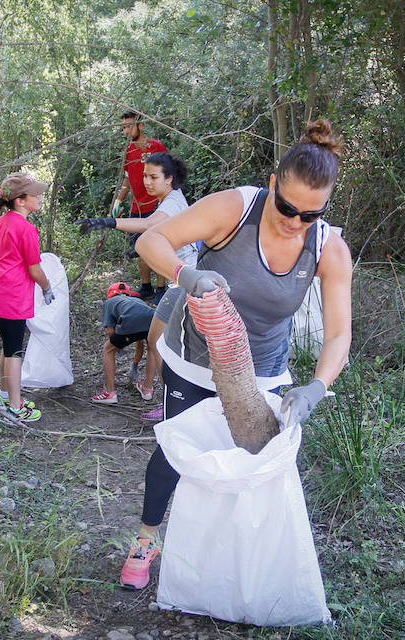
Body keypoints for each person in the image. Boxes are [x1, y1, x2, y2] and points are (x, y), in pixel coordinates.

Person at [117, 119, 353, 591]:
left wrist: (316, 388)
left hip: (261, 371)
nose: (295, 222)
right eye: (287, 207)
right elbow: (152, 240)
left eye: (311, 214)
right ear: (272, 186)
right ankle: (146, 539)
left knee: (249, 462)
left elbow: (338, 335)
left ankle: (226, 558)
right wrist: (187, 276)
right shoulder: (236, 208)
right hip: (195, 356)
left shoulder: (329, 248)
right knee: (177, 450)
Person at [78, 152, 197, 407]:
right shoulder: (169, 201)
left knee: (158, 342)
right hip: (182, 280)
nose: (147, 182)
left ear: (169, 179)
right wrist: (140, 248)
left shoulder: (173, 202)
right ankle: (171, 402)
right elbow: (162, 233)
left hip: (185, 282)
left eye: (154, 177)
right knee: (160, 342)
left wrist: (108, 222)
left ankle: (171, 404)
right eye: (145, 176)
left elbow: (150, 224)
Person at [0, 172, 54, 422]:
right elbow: (34, 268)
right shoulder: (26, 228)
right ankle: (15, 406)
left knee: (8, 345)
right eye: (36, 195)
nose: (40, 198)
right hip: (11, 295)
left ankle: (4, 394)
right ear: (20, 200)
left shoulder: (1, 222)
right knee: (15, 352)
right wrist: (47, 287)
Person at [112, 111, 168, 300]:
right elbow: (128, 181)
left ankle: (161, 288)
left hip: (156, 206)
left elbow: (169, 173)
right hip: (137, 208)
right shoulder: (129, 151)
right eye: (123, 127)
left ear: (140, 126)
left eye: (129, 126)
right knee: (139, 248)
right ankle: (146, 287)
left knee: (157, 247)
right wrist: (119, 200)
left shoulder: (156, 147)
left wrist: (166, 200)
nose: (125, 130)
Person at [91, 282, 157, 405]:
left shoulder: (109, 303)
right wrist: (135, 364)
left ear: (110, 295)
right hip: (153, 319)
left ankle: (110, 393)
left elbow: (110, 331)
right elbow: (139, 341)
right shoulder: (136, 300)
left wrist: (117, 346)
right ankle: (147, 389)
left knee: (107, 350)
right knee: (152, 349)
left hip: (131, 320)